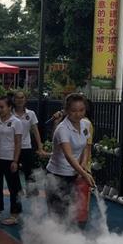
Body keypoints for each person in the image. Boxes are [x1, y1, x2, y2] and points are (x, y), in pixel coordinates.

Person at [44, 93, 96, 221]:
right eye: (73, 111)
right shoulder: (62, 129)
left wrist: (83, 165)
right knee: (56, 214)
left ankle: (66, 233)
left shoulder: (85, 124)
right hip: (57, 175)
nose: (78, 114)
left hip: (73, 174)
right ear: (66, 110)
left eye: (81, 110)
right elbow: (68, 155)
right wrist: (84, 174)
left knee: (70, 211)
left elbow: (86, 146)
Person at [0, 95, 24, 226]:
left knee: (14, 187)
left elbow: (18, 142)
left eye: (2, 107)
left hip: (10, 158)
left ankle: (15, 214)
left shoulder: (16, 122)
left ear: (9, 107)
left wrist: (15, 160)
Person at [12, 90, 43, 196]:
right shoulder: (10, 113)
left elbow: (35, 131)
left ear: (25, 100)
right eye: (17, 98)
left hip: (26, 146)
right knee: (13, 171)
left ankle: (32, 192)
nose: (20, 100)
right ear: (14, 100)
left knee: (29, 171)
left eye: (22, 97)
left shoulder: (31, 113)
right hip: (13, 147)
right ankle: (17, 191)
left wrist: (40, 147)